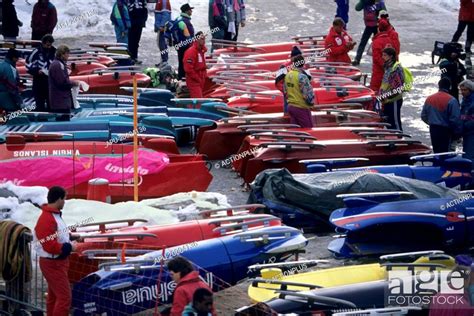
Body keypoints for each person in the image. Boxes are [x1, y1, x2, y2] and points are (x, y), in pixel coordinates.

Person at [34, 186, 77, 316]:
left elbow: (56, 234)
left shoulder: (53, 215)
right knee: (64, 298)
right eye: (64, 199)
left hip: (56, 262)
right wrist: (69, 247)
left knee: (54, 297)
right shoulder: (48, 218)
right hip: (53, 263)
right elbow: (49, 245)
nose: (65, 201)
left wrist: (70, 237)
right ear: (58, 199)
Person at [421, 78, 462, 153]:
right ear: (449, 87)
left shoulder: (429, 99)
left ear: (439, 86)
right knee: (446, 154)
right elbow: (455, 119)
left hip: (433, 129)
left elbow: (423, 116)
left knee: (436, 152)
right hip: (446, 130)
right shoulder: (452, 100)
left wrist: (431, 122)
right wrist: (457, 133)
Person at [26, 34, 56, 112]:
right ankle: (41, 119)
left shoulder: (54, 51)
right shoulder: (36, 52)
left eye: (50, 45)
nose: (49, 47)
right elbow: (27, 64)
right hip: (38, 81)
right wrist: (36, 71)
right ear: (43, 43)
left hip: (50, 82)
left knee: (51, 103)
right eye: (47, 45)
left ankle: (53, 121)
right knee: (40, 104)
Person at [49, 45, 79, 121]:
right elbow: (62, 83)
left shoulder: (58, 64)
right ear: (62, 54)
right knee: (63, 121)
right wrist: (73, 83)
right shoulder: (58, 65)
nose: (68, 56)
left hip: (60, 100)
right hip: (60, 101)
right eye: (67, 53)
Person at [284, 55, 315, 128]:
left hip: (291, 106)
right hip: (301, 107)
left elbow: (285, 91)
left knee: (295, 131)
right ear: (303, 63)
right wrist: (311, 104)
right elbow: (307, 94)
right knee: (308, 129)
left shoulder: (288, 75)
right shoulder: (302, 77)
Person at [353, 0, 386, 66]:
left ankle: (381, 60)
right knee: (364, 43)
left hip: (377, 26)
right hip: (369, 26)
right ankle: (357, 59)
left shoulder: (380, 2)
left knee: (378, 44)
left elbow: (384, 14)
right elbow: (357, 8)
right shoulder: (365, 1)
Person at [379, 47, 404, 130]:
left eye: (385, 55)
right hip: (387, 99)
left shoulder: (396, 68)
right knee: (389, 122)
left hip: (394, 100)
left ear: (391, 56)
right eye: (382, 55)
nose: (383, 57)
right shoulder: (387, 67)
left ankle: (399, 139)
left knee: (395, 123)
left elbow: (398, 87)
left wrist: (388, 96)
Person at [370, 18, 397, 92]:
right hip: (390, 73)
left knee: (376, 94)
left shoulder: (376, 42)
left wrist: (385, 66)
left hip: (378, 74)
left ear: (378, 29)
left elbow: (377, 58)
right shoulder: (391, 40)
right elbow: (395, 55)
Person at [275, 46, 304, 114]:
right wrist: (286, 92)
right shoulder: (284, 67)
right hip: (289, 96)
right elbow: (278, 82)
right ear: (292, 57)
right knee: (288, 113)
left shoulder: (301, 65)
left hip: (300, 95)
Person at [184, 31, 208, 98]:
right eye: (202, 39)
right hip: (194, 80)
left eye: (204, 39)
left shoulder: (201, 51)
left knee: (199, 99)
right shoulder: (191, 52)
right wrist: (197, 78)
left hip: (200, 79)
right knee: (198, 101)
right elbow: (188, 69)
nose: (204, 41)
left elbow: (200, 64)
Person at [0, 48, 22, 114]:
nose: (18, 60)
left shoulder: (1, 65)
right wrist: (19, 101)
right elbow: (12, 87)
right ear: (14, 58)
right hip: (7, 102)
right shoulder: (11, 69)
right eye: (17, 58)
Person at [177, 4, 195, 80]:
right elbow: (188, 34)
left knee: (181, 61)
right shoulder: (186, 21)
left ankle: (180, 77)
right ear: (187, 11)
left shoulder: (179, 19)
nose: (191, 11)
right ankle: (182, 78)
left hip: (179, 44)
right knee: (185, 62)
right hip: (185, 45)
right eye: (190, 9)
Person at [459, 80, 474, 165]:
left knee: (469, 155)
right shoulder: (465, 100)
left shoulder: (471, 102)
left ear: (470, 90)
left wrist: (463, 126)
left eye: (465, 90)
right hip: (467, 131)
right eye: (461, 90)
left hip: (471, 132)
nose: (462, 92)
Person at [154, 0, 171, 64]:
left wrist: (162, 26)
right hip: (161, 27)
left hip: (162, 28)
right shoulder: (161, 1)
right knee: (162, 44)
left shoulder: (163, 1)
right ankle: (164, 60)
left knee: (162, 44)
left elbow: (166, 14)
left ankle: (164, 60)